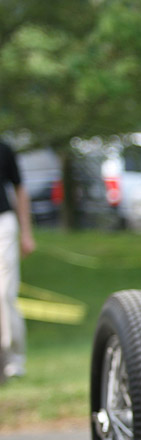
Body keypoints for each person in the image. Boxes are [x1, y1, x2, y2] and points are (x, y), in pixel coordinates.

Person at [0, 139, 35, 383]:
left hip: (3, 224)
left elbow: (20, 190)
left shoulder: (4, 148)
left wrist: (26, 233)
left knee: (3, 294)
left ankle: (12, 360)